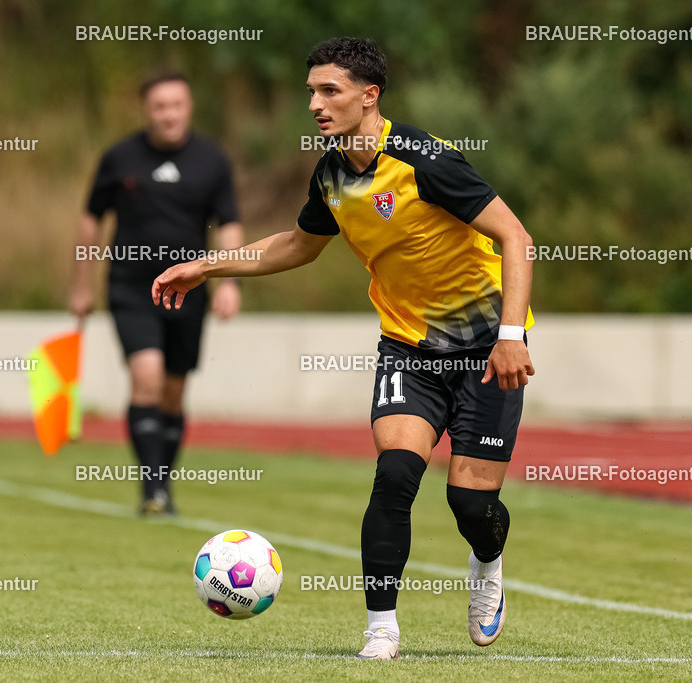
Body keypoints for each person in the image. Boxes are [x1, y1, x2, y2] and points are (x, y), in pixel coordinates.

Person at [152, 37, 534, 658]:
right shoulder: (331, 171)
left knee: (470, 503)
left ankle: (487, 561)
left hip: (488, 350)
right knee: (396, 474)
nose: (316, 104)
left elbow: (517, 239)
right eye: (311, 91)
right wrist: (208, 266)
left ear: (368, 95)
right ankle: (381, 628)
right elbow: (297, 246)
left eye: (329, 91)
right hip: (408, 349)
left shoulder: (424, 161)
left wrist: (512, 337)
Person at [71, 69, 244, 516]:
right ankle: (153, 491)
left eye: (177, 105)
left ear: (189, 108)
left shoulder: (212, 161)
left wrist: (229, 281)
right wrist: (81, 284)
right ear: (148, 111)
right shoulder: (119, 157)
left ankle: (162, 484)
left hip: (189, 292)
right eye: (160, 106)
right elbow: (91, 219)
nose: (169, 115)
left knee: (173, 391)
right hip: (131, 288)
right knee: (145, 376)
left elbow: (229, 224)